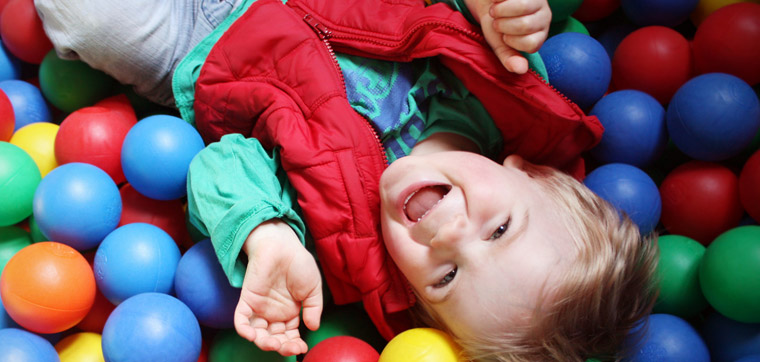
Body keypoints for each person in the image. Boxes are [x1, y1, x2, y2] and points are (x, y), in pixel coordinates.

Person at [36, 0, 658, 361]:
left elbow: (218, 163)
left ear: (415, 302)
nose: (448, 237)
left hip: (200, 44)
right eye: (498, 230)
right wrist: (499, 12)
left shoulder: (341, 248)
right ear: (530, 173)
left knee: (98, 21)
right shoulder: (501, 86)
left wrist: (267, 234)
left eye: (446, 278)